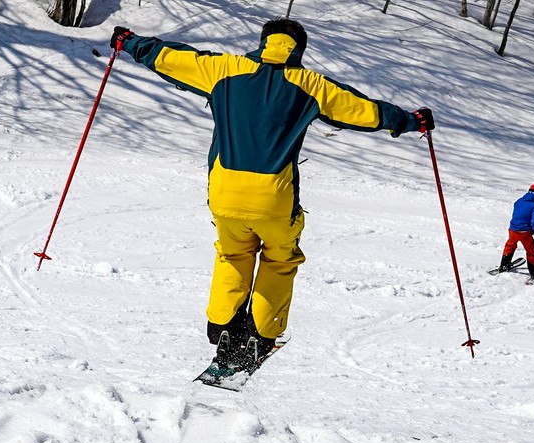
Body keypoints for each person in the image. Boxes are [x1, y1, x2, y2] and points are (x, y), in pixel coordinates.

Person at [108, 19, 433, 369]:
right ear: (299, 50)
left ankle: (223, 326)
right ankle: (261, 334)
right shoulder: (311, 84)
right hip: (274, 198)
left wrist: (130, 43)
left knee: (233, 255)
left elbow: (169, 58)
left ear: (264, 42)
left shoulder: (224, 69)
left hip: (225, 192)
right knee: (279, 261)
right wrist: (412, 121)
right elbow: (366, 112)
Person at [498, 183, 534, 279]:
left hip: (513, 229)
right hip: (525, 232)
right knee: (530, 251)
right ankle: (533, 272)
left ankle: (504, 265)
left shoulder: (518, 201)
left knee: (510, 246)